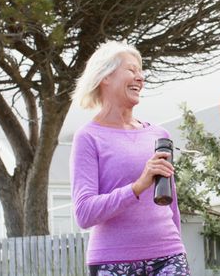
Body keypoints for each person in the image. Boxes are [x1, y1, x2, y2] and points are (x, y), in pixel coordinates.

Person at [70, 41, 190, 276]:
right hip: (113, 261)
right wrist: (136, 187)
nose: (140, 78)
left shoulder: (159, 136)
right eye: (132, 70)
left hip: (168, 257)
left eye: (141, 72)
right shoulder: (88, 137)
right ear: (105, 76)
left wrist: (180, 251)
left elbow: (171, 204)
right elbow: (84, 214)